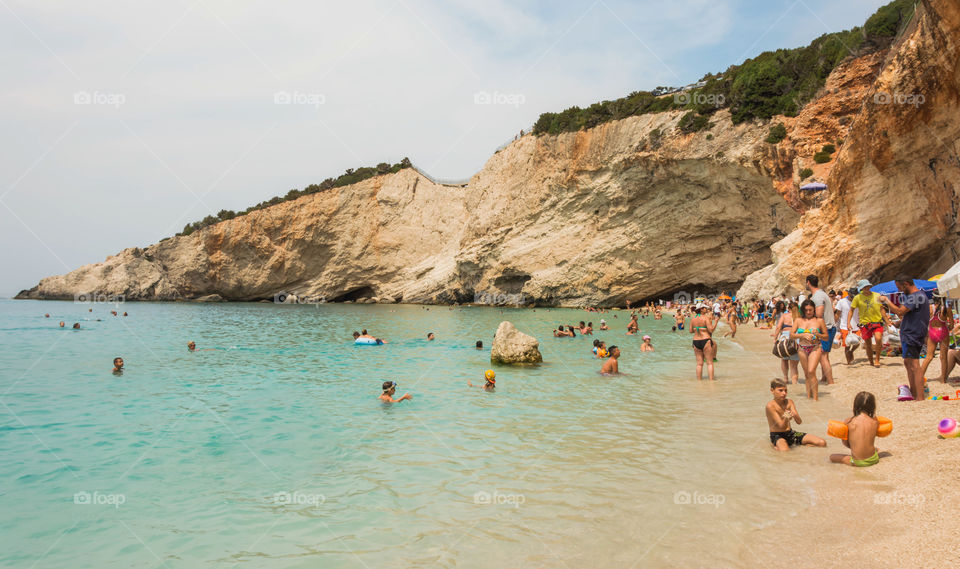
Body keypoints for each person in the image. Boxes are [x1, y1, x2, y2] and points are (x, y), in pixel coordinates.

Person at [879, 277, 930, 401]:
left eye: (899, 287)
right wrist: (900, 323)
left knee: (914, 364)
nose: (899, 290)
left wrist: (886, 300)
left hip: (912, 334)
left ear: (906, 284)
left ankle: (920, 397)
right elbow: (911, 315)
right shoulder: (919, 296)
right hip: (913, 333)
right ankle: (914, 393)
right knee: (908, 363)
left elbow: (900, 311)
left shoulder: (915, 296)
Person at [766, 379, 826, 451]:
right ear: (772, 390)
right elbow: (781, 426)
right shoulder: (770, 406)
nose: (784, 393)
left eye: (786, 390)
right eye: (780, 390)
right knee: (786, 451)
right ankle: (775, 445)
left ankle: (796, 445)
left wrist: (794, 414)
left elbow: (799, 422)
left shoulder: (789, 402)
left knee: (822, 443)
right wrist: (786, 417)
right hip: (777, 435)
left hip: (791, 434)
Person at [830, 392, 881, 467]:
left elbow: (845, 443)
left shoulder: (849, 421)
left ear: (855, 405)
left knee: (832, 457)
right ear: (872, 406)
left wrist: (854, 447)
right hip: (874, 459)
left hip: (858, 462)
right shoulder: (875, 421)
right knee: (875, 449)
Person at [791, 300, 827, 401]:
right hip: (802, 348)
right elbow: (791, 335)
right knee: (807, 374)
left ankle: (815, 399)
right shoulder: (798, 320)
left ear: (814, 309)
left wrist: (818, 334)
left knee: (811, 371)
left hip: (815, 347)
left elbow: (826, 337)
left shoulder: (819, 321)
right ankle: (808, 397)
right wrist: (802, 335)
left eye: (810, 310)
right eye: (806, 310)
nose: (808, 312)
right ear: (802, 310)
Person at [807, 275, 836, 385]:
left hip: (825, 328)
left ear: (808, 283)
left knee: (822, 356)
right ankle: (824, 378)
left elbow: (819, 314)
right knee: (824, 355)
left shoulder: (817, 296)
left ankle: (830, 381)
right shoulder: (822, 294)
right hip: (829, 327)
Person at [849, 280, 884, 367]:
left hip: (877, 321)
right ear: (861, 289)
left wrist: (887, 321)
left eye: (868, 286)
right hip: (865, 323)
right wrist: (848, 323)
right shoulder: (857, 298)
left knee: (878, 339)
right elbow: (851, 310)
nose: (867, 288)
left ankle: (877, 359)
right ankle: (871, 360)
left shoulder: (877, 295)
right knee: (868, 345)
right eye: (865, 287)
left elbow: (882, 309)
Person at [920, 296, 953, 383]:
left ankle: (919, 378)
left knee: (929, 357)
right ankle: (943, 380)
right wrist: (948, 326)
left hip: (932, 332)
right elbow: (952, 325)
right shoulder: (947, 309)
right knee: (943, 357)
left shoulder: (929, 308)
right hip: (943, 332)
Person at [772, 301, 799, 385]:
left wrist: (775, 338)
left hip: (785, 338)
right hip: (796, 339)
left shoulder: (784, 316)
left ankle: (786, 378)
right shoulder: (800, 317)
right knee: (794, 364)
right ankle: (794, 383)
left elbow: (778, 327)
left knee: (784, 360)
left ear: (789, 308)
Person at [690, 303, 717, 381]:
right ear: (701, 309)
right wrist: (716, 322)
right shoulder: (705, 318)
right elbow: (711, 330)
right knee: (709, 363)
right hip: (706, 340)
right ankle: (711, 382)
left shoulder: (693, 319)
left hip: (696, 341)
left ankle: (699, 382)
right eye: (705, 308)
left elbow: (691, 331)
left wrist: (698, 329)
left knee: (699, 364)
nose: (706, 309)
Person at [836, 287, 859, 365]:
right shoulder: (842, 302)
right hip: (844, 326)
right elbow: (838, 314)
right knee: (847, 345)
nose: (853, 297)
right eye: (852, 295)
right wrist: (834, 323)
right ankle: (849, 362)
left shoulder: (858, 302)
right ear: (849, 294)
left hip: (856, 326)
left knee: (857, 343)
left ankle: (851, 352)